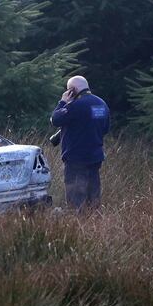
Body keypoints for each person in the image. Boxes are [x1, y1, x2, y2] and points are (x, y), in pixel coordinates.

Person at [50, 76, 110, 210]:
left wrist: (62, 102)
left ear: (72, 90)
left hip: (76, 160)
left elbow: (55, 119)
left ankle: (77, 228)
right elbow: (105, 129)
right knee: (93, 200)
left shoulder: (75, 106)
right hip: (95, 158)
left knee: (75, 203)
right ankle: (94, 226)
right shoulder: (102, 104)